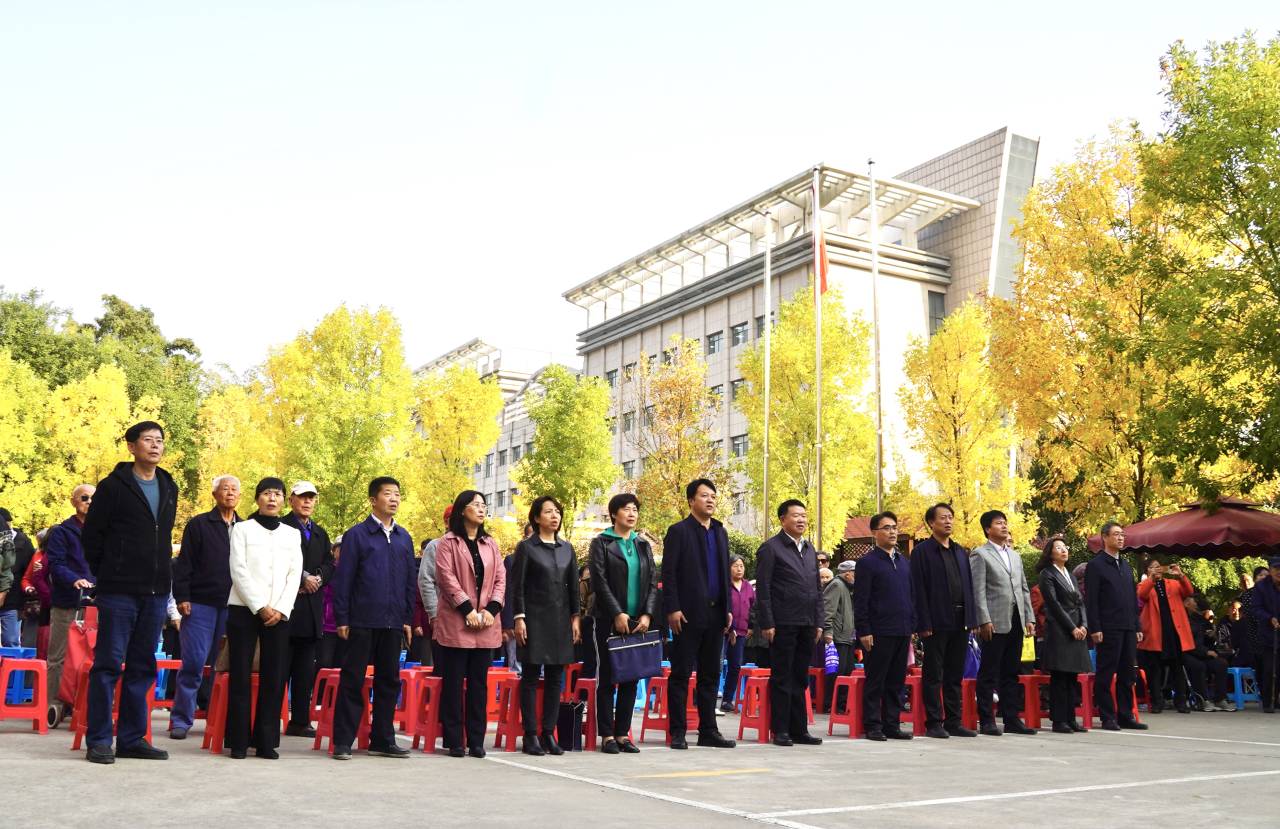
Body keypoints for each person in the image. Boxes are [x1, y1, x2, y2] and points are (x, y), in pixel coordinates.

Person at [81, 421, 179, 764]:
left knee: (143, 666)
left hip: (156, 591)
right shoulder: (113, 486)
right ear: (132, 447)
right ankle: (98, 740)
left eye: (159, 441)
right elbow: (92, 536)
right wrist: (109, 572)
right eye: (147, 440)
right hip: (119, 591)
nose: (155, 446)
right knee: (108, 664)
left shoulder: (168, 485)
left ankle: (132, 738)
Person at [330, 477, 416, 760]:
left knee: (388, 682)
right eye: (388, 494)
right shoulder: (357, 535)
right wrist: (343, 617)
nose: (394, 499)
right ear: (373, 500)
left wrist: (407, 618)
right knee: (353, 680)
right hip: (361, 620)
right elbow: (344, 579)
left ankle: (382, 740)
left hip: (393, 622)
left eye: (397, 494)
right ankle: (343, 741)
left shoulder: (404, 537)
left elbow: (409, 581)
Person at [225, 478, 302, 759]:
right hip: (244, 609)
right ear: (257, 498)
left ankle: (266, 741)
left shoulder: (292, 534)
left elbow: (295, 574)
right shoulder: (242, 529)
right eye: (267, 494)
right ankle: (238, 741)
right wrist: (259, 606)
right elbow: (238, 570)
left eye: (277, 494)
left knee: (275, 675)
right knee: (240, 674)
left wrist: (281, 608)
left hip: (280, 613)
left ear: (284, 500)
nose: (272, 499)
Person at [661, 478, 736, 750]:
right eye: (704, 495)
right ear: (691, 500)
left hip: (716, 614)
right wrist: (672, 608)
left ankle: (708, 731)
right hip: (687, 614)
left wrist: (728, 609)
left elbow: (725, 575)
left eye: (713, 496)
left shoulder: (720, 531)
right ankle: (678, 732)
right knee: (681, 673)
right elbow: (668, 573)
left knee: (710, 674)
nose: (710, 500)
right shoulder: (679, 531)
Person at [167, 475, 241, 740]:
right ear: (214, 495)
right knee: (194, 662)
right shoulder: (199, 524)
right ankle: (181, 719)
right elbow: (184, 563)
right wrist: (182, 597)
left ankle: (219, 717)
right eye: (225, 489)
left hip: (234, 606)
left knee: (227, 666)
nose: (229, 493)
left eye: (234, 489)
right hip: (200, 604)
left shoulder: (246, 528)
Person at [434, 490, 504, 758]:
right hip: (457, 621)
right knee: (453, 683)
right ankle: (454, 740)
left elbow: (501, 578)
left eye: (484, 505)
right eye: (476, 504)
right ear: (462, 510)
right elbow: (446, 577)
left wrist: (491, 609)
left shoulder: (490, 543)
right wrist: (466, 608)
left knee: (479, 684)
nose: (482, 508)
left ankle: (476, 740)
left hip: (486, 622)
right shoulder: (447, 543)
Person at [589, 492, 658, 753]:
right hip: (608, 619)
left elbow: (652, 581)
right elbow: (599, 581)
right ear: (614, 514)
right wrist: (617, 613)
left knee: (632, 677)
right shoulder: (602, 543)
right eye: (626, 509)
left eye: (635, 510)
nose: (632, 514)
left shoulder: (643, 545)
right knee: (607, 677)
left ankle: (622, 734)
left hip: (638, 621)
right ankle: (607, 735)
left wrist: (647, 614)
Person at [511, 496, 580, 755]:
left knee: (555, 678)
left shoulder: (567, 548)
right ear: (537, 517)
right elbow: (517, 586)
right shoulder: (527, 547)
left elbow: (574, 587)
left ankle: (548, 733)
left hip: (561, 620)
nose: (555, 516)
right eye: (549, 512)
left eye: (557, 512)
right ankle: (530, 735)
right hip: (533, 619)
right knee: (530, 676)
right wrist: (519, 618)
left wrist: (576, 617)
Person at [755, 499, 824, 747]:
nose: (801, 520)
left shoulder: (810, 549)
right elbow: (763, 589)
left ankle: (799, 729)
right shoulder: (771, 548)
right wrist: (767, 622)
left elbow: (817, 589)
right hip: (782, 622)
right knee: (782, 677)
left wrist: (819, 622)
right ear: (783, 519)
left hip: (807, 623)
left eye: (804, 515)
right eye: (796, 515)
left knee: (801, 677)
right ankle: (781, 729)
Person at [911, 503, 978, 739]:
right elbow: (918, 589)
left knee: (955, 673)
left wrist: (972, 618)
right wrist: (923, 622)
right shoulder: (922, 552)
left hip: (961, 620)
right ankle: (933, 722)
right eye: (943, 518)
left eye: (950, 517)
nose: (948, 521)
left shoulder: (960, 551)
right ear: (931, 523)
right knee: (933, 673)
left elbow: (969, 587)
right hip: (936, 620)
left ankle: (953, 721)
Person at [969, 509, 1037, 736]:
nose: (1004, 526)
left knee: (1011, 671)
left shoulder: (1015, 556)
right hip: (994, 621)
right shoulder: (980, 554)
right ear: (988, 529)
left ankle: (1012, 718)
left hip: (1016, 619)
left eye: (1005, 522)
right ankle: (987, 720)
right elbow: (978, 590)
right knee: (989, 671)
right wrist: (983, 619)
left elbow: (1024, 588)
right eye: (999, 523)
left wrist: (1029, 617)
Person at [853, 511, 915, 741]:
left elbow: (912, 596)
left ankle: (892, 724)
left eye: (894, 527)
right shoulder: (867, 563)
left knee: (896, 681)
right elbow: (861, 600)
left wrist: (912, 624)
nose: (892, 532)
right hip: (878, 631)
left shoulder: (904, 563)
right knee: (876, 680)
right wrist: (864, 630)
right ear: (874, 532)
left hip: (902, 629)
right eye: (886, 528)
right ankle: (873, 725)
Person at [280, 481, 334, 737]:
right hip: (285, 608)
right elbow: (278, 561)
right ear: (291, 500)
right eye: (302, 497)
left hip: (311, 610)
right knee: (279, 669)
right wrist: (303, 578)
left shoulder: (321, 533)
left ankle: (300, 721)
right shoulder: (280, 527)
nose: (307, 502)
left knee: (304, 671)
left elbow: (329, 563)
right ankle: (270, 719)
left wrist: (318, 579)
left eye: (311, 498)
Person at [1084, 522, 1148, 730]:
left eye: (1122, 534)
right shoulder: (1096, 565)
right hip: (1108, 627)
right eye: (1116, 534)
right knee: (1105, 673)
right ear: (1104, 537)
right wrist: (1095, 627)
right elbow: (1092, 600)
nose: (1120, 538)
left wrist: (1137, 626)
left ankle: (1125, 715)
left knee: (1127, 674)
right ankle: (1107, 716)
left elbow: (1133, 598)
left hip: (1128, 626)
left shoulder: (1126, 566)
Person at [43, 484, 97, 725]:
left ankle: (88, 704)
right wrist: (74, 579)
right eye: (84, 498)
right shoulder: (62, 532)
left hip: (96, 602)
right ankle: (54, 704)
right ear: (74, 501)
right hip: (67, 601)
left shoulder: (103, 531)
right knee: (58, 655)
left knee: (94, 656)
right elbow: (55, 564)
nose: (89, 502)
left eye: (94, 498)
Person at [1035, 538, 1090, 733]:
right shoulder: (1047, 574)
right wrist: (1072, 627)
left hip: (1077, 628)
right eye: (1058, 548)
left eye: (1065, 547)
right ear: (1050, 553)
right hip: (1059, 629)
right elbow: (1054, 604)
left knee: (1072, 675)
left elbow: (1080, 602)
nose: (1063, 550)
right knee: (1060, 676)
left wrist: (1084, 625)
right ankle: (1059, 720)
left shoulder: (1071, 575)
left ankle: (1071, 718)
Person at [1136, 557, 1196, 714]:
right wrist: (1151, 579)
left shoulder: (1173, 583)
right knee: (1155, 670)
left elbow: (1189, 592)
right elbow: (1142, 595)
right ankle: (1157, 702)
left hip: (1174, 631)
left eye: (1158, 566)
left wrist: (1181, 575)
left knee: (1177, 668)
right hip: (1155, 633)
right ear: (1147, 571)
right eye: (1152, 567)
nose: (1156, 569)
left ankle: (1181, 702)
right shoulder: (1144, 584)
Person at [1183, 595, 1232, 711]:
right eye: (1194, 602)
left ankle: (1220, 699)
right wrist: (1206, 652)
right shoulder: (1184, 619)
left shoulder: (1202, 620)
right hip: (1187, 653)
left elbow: (1206, 640)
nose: (1196, 605)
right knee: (1199, 666)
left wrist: (1211, 636)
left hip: (1202, 652)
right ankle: (1202, 700)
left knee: (1221, 664)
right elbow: (1189, 642)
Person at [417, 505, 451, 671]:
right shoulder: (435, 546)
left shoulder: (476, 546)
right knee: (443, 669)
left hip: (471, 621)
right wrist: (434, 614)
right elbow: (426, 580)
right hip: (443, 618)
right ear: (446, 522)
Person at [722, 554, 755, 712]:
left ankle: (727, 700)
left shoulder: (748, 586)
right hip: (723, 631)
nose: (739, 569)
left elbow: (753, 608)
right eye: (735, 566)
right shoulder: (724, 585)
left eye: (741, 566)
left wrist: (751, 626)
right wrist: (730, 628)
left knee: (735, 666)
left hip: (741, 632)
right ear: (729, 568)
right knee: (716, 665)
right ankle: (709, 699)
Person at [0, 508, 37, 647]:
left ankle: (13, 662)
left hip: (13, 600)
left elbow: (28, 572)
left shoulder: (23, 542)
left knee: (11, 640)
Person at [823, 560, 856, 713]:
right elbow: (827, 610)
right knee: (837, 671)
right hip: (837, 636)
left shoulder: (848, 588)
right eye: (855, 573)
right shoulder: (837, 585)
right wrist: (828, 633)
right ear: (847, 573)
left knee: (847, 671)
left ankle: (841, 704)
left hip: (847, 636)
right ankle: (831, 704)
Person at [1250, 557, 1280, 712]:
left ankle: (1277, 699)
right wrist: (1269, 618)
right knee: (1270, 668)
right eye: (1276, 569)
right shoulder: (1261, 587)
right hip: (1268, 633)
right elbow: (1256, 608)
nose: (1279, 572)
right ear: (1270, 570)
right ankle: (1268, 701)